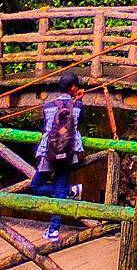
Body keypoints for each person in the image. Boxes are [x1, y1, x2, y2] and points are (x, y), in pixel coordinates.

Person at [31, 71, 85, 241]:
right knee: (60, 188)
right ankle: (70, 191)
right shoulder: (78, 107)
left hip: (49, 152)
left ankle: (54, 228)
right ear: (73, 88)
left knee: (35, 186)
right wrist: (78, 100)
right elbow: (78, 123)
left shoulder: (47, 106)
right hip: (68, 152)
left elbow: (45, 129)